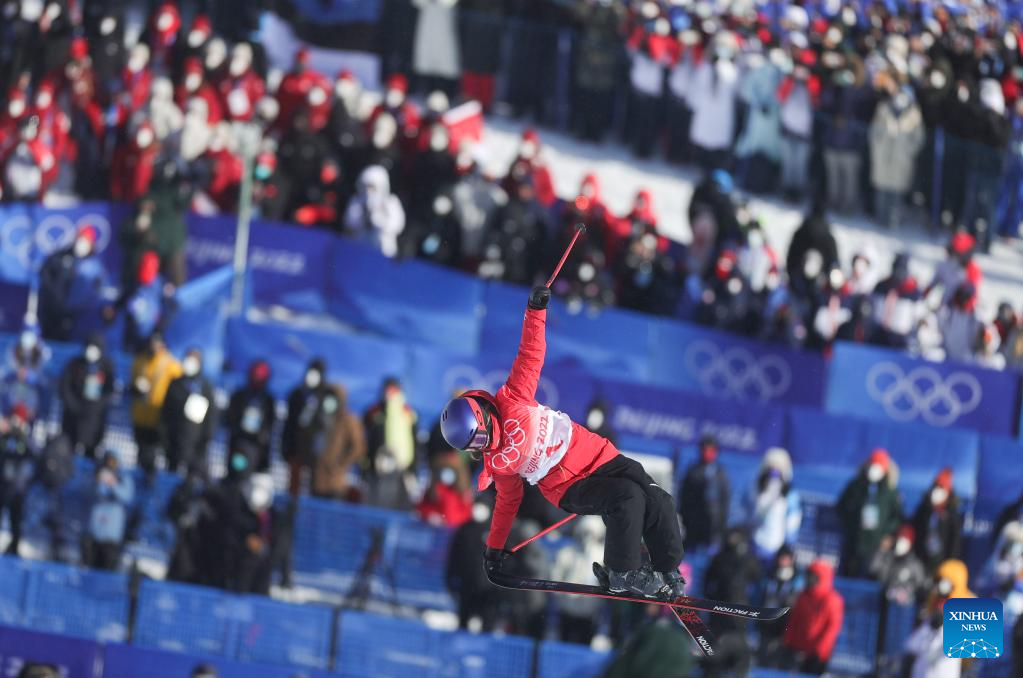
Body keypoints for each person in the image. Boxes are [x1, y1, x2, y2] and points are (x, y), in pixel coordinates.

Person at [438, 286, 685, 599]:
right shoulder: (498, 463)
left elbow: (531, 353)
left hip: (597, 454)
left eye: (482, 435)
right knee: (627, 498)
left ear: (483, 414)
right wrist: (494, 549)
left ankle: (668, 569)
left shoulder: (513, 399)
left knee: (657, 497)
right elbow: (507, 504)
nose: (485, 445)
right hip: (567, 486)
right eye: (476, 446)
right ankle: (621, 572)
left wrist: (536, 311)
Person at [836, 448, 902, 577]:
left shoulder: (889, 490)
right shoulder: (856, 485)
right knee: (849, 571)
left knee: (870, 572)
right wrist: (849, 524)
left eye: (878, 467)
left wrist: (886, 533)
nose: (874, 470)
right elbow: (841, 506)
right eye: (873, 465)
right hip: (854, 538)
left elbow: (897, 516)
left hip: (876, 542)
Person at [129, 333, 182, 477]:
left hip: (159, 418)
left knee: (153, 457)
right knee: (141, 454)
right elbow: (132, 383)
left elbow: (179, 389)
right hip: (140, 415)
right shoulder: (140, 361)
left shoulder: (171, 365)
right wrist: (135, 389)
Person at [282, 359, 337, 496]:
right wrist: (286, 446)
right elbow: (289, 423)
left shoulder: (327, 395)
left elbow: (330, 422)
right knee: (294, 487)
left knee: (315, 487)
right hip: (296, 450)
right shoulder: (297, 394)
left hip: (316, 452)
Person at [781, 559, 844, 675]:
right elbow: (794, 620)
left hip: (817, 655)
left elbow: (832, 627)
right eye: (808, 576)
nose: (809, 580)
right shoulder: (803, 596)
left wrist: (820, 650)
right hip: (797, 649)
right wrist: (788, 640)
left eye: (813, 577)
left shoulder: (832, 600)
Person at [446, 501, 500, 632]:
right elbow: (454, 556)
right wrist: (450, 577)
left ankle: (486, 647)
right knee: (464, 617)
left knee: (488, 620)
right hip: (467, 582)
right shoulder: (465, 529)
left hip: (488, 586)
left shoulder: (496, 530)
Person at [59, 334, 116, 459]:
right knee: (68, 449)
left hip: (93, 419)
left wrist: (96, 406)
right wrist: (74, 405)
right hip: (72, 417)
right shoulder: (74, 364)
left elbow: (110, 391)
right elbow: (64, 387)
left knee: (91, 452)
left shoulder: (106, 367)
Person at [161, 348, 217, 473]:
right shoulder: (175, 383)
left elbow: (211, 417)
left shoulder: (205, 387)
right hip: (173, 444)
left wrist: (204, 442)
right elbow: (165, 413)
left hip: (195, 446)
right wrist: (165, 439)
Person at [743, 447, 802, 560]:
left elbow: (793, 521)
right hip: (754, 542)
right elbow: (745, 511)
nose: (774, 474)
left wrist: (788, 543)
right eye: (770, 469)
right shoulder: (754, 488)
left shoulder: (789, 495)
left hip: (776, 546)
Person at [312, 384, 367, 501]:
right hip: (317, 479)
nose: (329, 401)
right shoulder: (320, 418)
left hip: (335, 481)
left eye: (332, 398)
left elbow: (358, 447)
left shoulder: (348, 420)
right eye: (327, 397)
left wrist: (341, 464)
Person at [703, 527, 761, 635]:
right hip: (720, 603)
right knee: (717, 636)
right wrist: (709, 595)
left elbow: (757, 577)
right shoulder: (720, 558)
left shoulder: (748, 559)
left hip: (739, 604)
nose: (733, 540)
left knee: (736, 635)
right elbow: (708, 577)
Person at [83, 451, 135, 570]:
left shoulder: (123, 478)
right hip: (94, 533)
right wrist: (99, 481)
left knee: (107, 570)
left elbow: (127, 497)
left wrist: (113, 484)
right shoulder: (96, 476)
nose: (110, 465)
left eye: (113, 462)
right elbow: (90, 494)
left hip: (111, 537)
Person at [678, 435, 730, 552]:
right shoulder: (693, 472)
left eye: (711, 450)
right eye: (705, 449)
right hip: (693, 527)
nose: (707, 453)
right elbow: (684, 499)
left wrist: (720, 528)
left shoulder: (721, 474)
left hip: (713, 529)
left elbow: (725, 502)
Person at [363, 377, 418, 487]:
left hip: (402, 468)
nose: (390, 394)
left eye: (394, 390)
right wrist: (365, 465)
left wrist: (412, 470)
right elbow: (366, 439)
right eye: (388, 390)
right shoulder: (373, 412)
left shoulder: (408, 414)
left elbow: (414, 443)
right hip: (376, 468)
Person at [343, 165, 406, 258]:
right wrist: (363, 219)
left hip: (383, 249)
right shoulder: (358, 201)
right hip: (360, 246)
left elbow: (397, 223)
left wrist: (379, 222)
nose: (369, 191)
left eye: (372, 187)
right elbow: (349, 221)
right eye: (367, 187)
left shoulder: (390, 201)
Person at [225, 360, 277, 472]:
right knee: (236, 473)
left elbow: (270, 424)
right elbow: (230, 418)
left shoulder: (268, 400)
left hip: (257, 448)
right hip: (238, 444)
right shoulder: (239, 396)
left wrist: (261, 436)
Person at [166, 463, 212, 583]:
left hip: (198, 545)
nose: (195, 480)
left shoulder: (207, 495)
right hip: (181, 539)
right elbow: (171, 511)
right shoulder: (181, 490)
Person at [911, 468, 963, 574]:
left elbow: (955, 541)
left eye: (941, 489)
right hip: (921, 559)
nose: (937, 492)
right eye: (936, 488)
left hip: (941, 560)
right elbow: (915, 528)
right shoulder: (924, 509)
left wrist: (950, 563)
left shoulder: (952, 514)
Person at [0, 405, 35, 556]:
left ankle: (14, 547)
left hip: (17, 488)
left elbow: (34, 454)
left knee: (16, 519)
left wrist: (22, 435)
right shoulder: (5, 437)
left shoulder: (26, 439)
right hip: (2, 484)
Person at [869, 525, 928, 607]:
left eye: (904, 540)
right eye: (899, 540)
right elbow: (874, 569)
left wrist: (908, 591)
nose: (901, 543)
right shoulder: (888, 558)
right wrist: (882, 550)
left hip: (904, 610)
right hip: (885, 605)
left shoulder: (915, 564)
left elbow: (921, 585)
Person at [416, 458, 472, 527]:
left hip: (453, 530)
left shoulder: (463, 492)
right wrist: (431, 515)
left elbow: (463, 514)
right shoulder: (434, 489)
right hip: (437, 529)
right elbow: (421, 508)